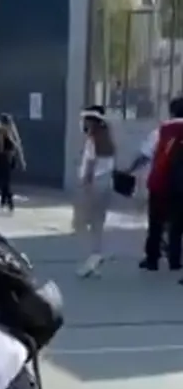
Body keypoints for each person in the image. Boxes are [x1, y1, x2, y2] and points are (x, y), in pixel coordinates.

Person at [127, 96, 183, 272]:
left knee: (155, 222)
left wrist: (129, 170)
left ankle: (152, 259)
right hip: (181, 186)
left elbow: (145, 154)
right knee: (178, 224)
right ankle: (175, 260)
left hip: (160, 183)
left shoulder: (161, 130)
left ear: (172, 111)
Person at [73, 105, 117, 278]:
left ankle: (91, 258)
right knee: (98, 223)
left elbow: (90, 166)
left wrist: (85, 185)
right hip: (106, 183)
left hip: (93, 183)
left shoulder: (92, 141)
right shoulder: (107, 140)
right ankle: (96, 256)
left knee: (80, 223)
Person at [0, 113, 26, 212]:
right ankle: (4, 201)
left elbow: (0, 147)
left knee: (3, 182)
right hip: (10, 159)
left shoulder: (1, 132)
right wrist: (22, 162)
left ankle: (8, 201)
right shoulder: (12, 133)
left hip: (2, 159)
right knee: (5, 181)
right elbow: (18, 148)